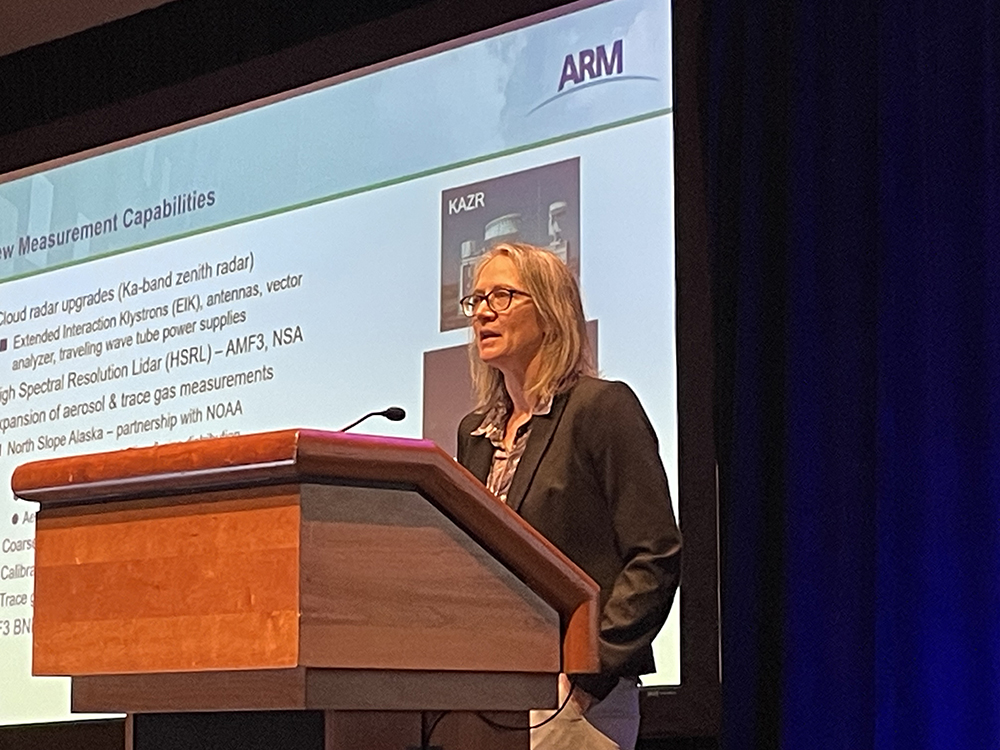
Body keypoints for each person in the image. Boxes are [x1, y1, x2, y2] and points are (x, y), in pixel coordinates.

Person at [455, 242, 682, 750]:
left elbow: (655, 553)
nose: (483, 312)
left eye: (503, 296)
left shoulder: (602, 409)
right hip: (487, 694)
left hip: (575, 699)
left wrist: (588, 674)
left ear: (551, 312)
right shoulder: (475, 434)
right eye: (476, 300)